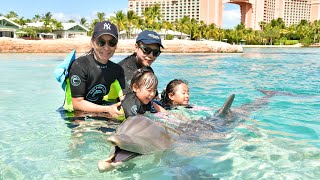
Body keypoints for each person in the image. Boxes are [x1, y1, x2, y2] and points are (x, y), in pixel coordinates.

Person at [67, 21, 125, 118]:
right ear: (92, 43)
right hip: (76, 115)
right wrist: (107, 109)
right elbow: (77, 103)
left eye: (111, 43)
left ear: (116, 45)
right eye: (101, 42)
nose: (106, 48)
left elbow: (124, 96)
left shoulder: (117, 70)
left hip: (102, 110)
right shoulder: (80, 65)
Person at [118, 30, 164, 94]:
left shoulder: (148, 70)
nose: (151, 55)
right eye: (146, 50)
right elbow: (128, 100)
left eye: (156, 52)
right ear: (136, 48)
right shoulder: (122, 70)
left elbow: (154, 97)